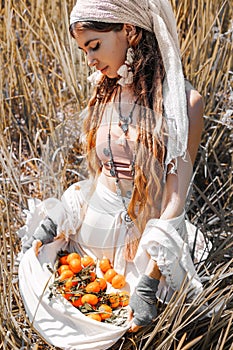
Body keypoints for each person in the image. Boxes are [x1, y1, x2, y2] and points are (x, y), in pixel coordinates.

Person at [18, 0, 208, 349]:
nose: (89, 59)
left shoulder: (184, 103)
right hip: (93, 231)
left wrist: (150, 281)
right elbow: (99, 178)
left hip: (143, 246)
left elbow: (174, 200)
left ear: (130, 32)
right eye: (82, 49)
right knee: (47, 283)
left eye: (94, 46)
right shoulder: (103, 88)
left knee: (124, 325)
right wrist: (61, 214)